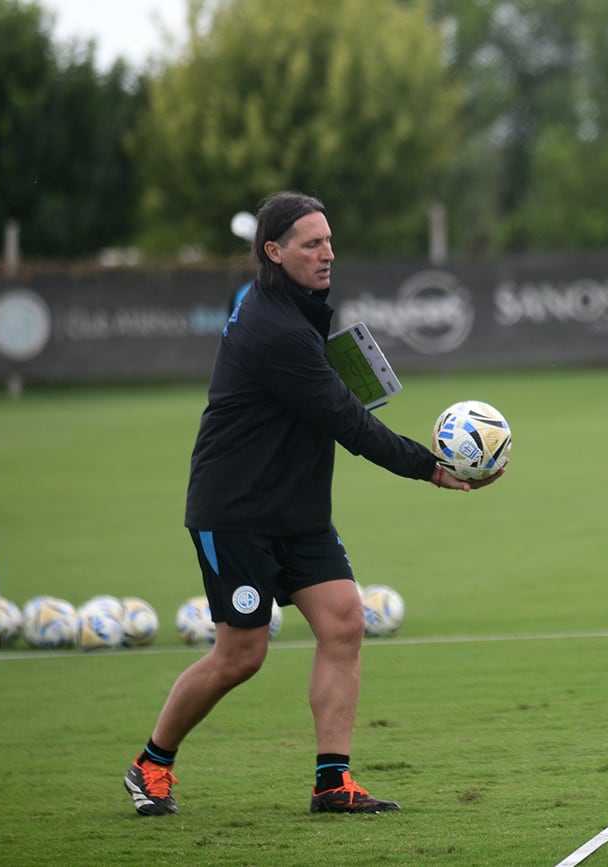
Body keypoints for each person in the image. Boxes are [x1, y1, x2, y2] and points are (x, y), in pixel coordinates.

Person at [123, 191, 500, 817]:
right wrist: (431, 468)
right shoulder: (273, 328)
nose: (328, 254)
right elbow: (347, 422)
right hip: (234, 511)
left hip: (296, 511)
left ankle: (333, 782)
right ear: (274, 252)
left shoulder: (289, 306)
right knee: (241, 654)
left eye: (328, 241)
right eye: (311, 244)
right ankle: (151, 764)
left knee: (344, 619)